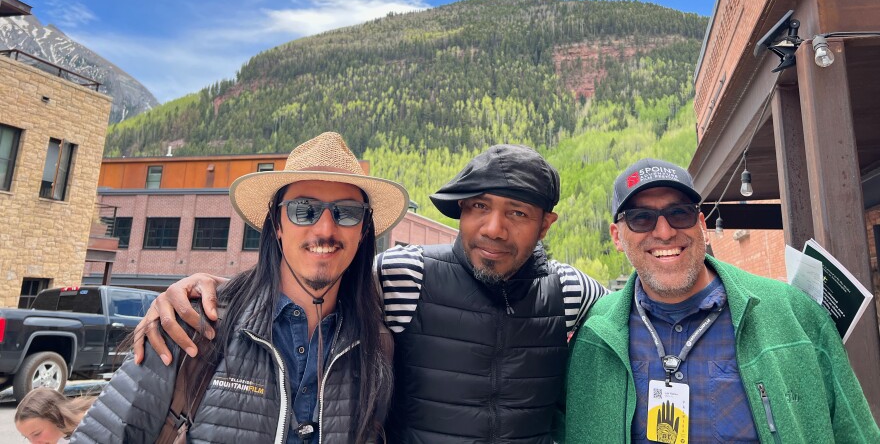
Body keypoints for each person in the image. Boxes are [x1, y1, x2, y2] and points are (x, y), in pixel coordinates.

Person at [136, 143, 608, 442]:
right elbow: (312, 274)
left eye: (518, 213)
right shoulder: (405, 275)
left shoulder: (573, 293)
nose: (494, 228)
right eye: (479, 206)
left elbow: (634, 320)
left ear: (547, 224)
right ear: (460, 212)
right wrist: (211, 290)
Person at [71, 132, 409, 443]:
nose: (325, 227)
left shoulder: (376, 349)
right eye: (303, 210)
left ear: (364, 229)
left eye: (346, 212)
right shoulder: (191, 325)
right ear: (277, 224)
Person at [565, 158, 880, 443]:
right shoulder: (595, 335)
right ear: (617, 237)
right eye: (641, 218)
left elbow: (856, 432)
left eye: (679, 213)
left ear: (701, 224)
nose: (664, 232)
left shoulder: (792, 312)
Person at [15, 388, 95, 444]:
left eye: (37, 434)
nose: (34, 442)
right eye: (27, 437)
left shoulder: (97, 426)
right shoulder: (61, 437)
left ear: (57, 416)